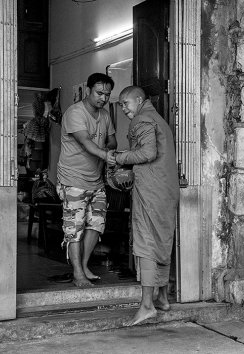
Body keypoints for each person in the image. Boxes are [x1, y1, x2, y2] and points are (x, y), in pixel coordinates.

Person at [107, 86, 179, 327]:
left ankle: (147, 306)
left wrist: (119, 157)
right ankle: (163, 297)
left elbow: (147, 152)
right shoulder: (159, 120)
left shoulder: (142, 118)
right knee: (162, 239)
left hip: (151, 189)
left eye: (125, 103)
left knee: (146, 243)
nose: (124, 109)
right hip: (166, 190)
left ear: (138, 100)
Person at [56, 73, 117, 287]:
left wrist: (109, 150)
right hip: (72, 180)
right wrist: (106, 155)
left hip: (96, 182)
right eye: (99, 93)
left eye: (107, 95)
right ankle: (78, 274)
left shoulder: (105, 114)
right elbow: (86, 144)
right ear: (88, 90)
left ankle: (83, 266)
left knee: (96, 225)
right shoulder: (75, 113)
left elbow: (112, 140)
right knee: (74, 230)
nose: (103, 98)